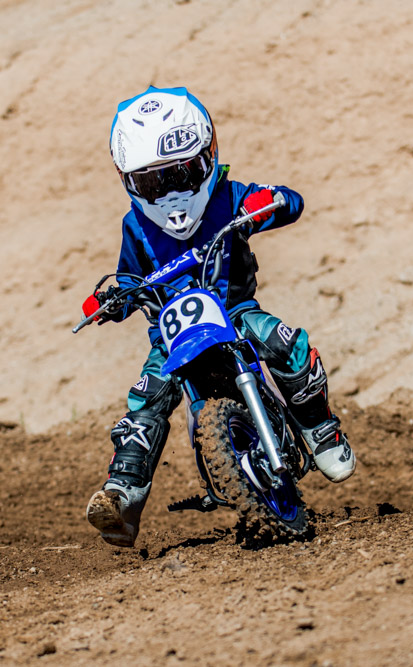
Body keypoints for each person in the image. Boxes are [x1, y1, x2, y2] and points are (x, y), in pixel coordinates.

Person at [83, 86, 355, 547]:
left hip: (235, 312)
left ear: (207, 157)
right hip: (172, 338)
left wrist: (268, 203)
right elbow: (129, 278)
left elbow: (289, 201)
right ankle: (123, 498)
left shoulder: (228, 197)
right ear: (130, 182)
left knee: (287, 344)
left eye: (180, 174)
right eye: (152, 184)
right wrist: (112, 301)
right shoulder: (136, 226)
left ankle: (320, 429)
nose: (169, 193)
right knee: (146, 400)